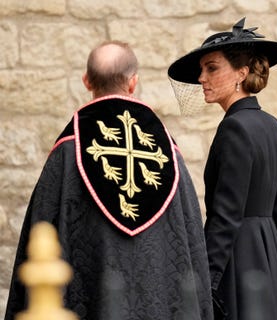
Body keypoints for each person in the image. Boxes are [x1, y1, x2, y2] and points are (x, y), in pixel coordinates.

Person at [5, 40, 213, 320]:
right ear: (133, 83)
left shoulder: (69, 150)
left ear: (87, 81)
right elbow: (190, 240)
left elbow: (40, 233)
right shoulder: (168, 152)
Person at [168, 18, 277, 320]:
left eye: (211, 68)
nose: (202, 77)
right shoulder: (272, 125)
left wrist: (207, 282)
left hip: (241, 263)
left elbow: (225, 217)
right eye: (202, 70)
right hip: (272, 260)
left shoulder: (234, 128)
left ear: (241, 72)